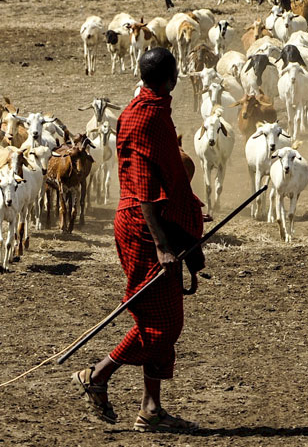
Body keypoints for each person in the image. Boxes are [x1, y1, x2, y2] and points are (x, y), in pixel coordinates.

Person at [72, 48, 203, 433]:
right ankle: (98, 374)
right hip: (144, 228)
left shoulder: (145, 109)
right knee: (163, 325)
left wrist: (182, 213)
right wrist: (162, 242)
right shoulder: (148, 118)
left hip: (154, 222)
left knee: (158, 315)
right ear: (171, 78)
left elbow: (160, 179)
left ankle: (151, 409)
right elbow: (144, 191)